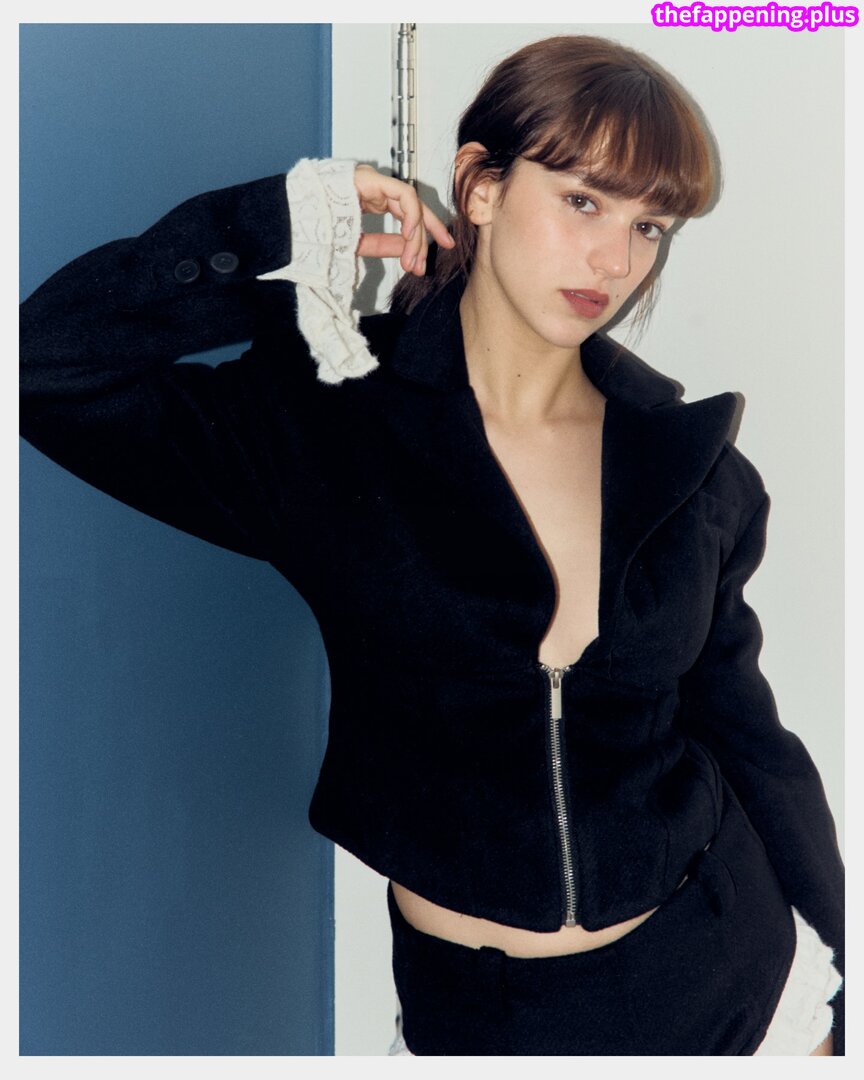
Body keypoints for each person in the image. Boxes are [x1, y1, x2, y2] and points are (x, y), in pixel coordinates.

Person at [20, 35, 843, 1056]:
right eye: (583, 201)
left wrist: (844, 994)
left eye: (648, 226)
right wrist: (280, 224)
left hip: (742, 992)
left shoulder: (693, 472)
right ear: (481, 186)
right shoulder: (331, 426)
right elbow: (42, 365)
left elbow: (749, 740)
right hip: (478, 1024)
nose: (615, 261)